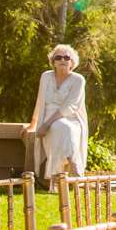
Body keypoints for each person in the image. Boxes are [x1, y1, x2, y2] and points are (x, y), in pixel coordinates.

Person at [26, 43, 88, 185]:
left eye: (67, 57)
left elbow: (71, 106)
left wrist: (46, 125)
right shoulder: (46, 77)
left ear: (72, 62)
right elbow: (40, 101)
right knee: (60, 128)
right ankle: (74, 169)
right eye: (58, 57)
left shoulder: (78, 80)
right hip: (48, 116)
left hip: (72, 118)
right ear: (53, 62)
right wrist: (34, 124)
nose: (63, 60)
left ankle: (58, 176)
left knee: (65, 128)